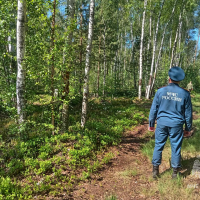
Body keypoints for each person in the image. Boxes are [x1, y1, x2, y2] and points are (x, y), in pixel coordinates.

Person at [148, 66, 192, 179]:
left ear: (169, 78)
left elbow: (154, 109)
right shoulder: (185, 94)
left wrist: (151, 124)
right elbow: (188, 114)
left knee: (158, 145)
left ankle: (155, 171)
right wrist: (188, 128)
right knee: (176, 147)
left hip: (162, 123)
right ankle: (175, 173)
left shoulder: (160, 91)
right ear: (180, 80)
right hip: (176, 125)